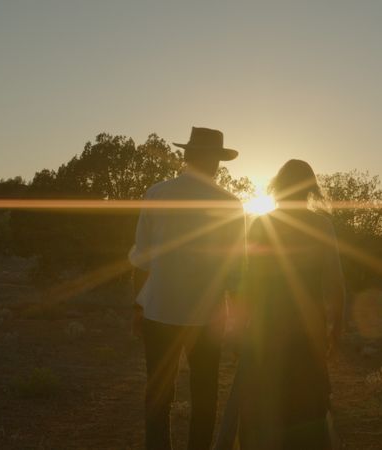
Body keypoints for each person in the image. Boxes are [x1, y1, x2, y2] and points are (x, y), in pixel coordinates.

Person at [129, 127, 245, 450]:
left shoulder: (157, 194)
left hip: (159, 310)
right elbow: (236, 269)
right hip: (208, 317)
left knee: (158, 395)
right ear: (216, 162)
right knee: (205, 396)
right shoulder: (231, 204)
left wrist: (137, 305)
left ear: (187, 156)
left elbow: (142, 257)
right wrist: (238, 320)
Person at [238, 159, 345, 450]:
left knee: (264, 400)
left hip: (267, 325)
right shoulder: (322, 226)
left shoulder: (261, 224)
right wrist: (336, 330)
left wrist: (242, 325)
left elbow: (250, 280)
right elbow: (335, 283)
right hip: (308, 327)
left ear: (278, 187)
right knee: (308, 403)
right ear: (310, 190)